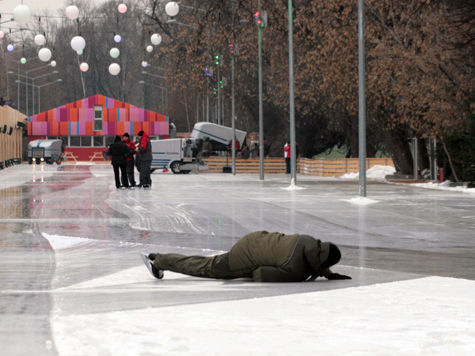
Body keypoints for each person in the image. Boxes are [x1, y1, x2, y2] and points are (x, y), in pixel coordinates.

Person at [141, 231, 351, 282]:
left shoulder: (308, 241)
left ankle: (159, 257)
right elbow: (260, 273)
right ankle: (158, 260)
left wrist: (325, 272)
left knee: (207, 262)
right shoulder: (295, 269)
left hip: (255, 239)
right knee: (206, 268)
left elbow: (313, 257)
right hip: (245, 257)